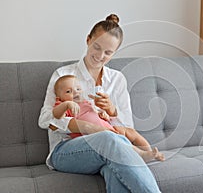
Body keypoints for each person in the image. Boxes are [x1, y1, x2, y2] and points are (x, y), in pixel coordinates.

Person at [39, 14, 162, 193]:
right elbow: (44, 120)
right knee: (108, 140)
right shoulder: (63, 75)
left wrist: (112, 111)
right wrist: (86, 127)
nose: (100, 56)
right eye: (97, 47)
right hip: (65, 150)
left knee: (113, 168)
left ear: (114, 53)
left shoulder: (117, 79)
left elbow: (126, 129)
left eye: (108, 52)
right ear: (88, 40)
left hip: (109, 150)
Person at [53, 74, 165, 162]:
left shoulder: (86, 102)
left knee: (130, 132)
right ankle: (141, 155)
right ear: (60, 97)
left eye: (78, 89)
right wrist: (66, 105)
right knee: (116, 141)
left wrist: (103, 114)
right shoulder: (64, 105)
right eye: (68, 91)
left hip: (109, 128)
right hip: (92, 136)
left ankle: (150, 152)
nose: (75, 93)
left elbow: (97, 115)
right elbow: (57, 116)